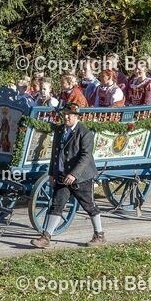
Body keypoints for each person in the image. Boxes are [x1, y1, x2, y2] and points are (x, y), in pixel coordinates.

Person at [30, 101, 105, 248]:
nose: (66, 117)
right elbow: (55, 154)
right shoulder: (59, 131)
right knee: (56, 205)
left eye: (70, 115)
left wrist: (74, 174)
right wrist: (52, 173)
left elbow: (86, 156)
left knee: (89, 206)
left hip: (81, 177)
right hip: (62, 176)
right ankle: (46, 238)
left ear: (77, 116)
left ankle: (99, 235)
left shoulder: (85, 133)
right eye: (64, 114)